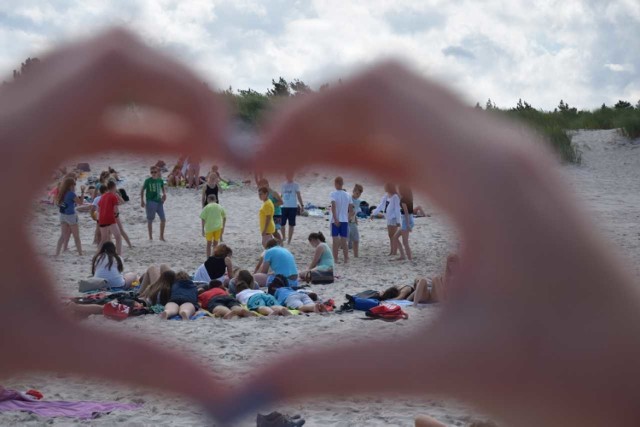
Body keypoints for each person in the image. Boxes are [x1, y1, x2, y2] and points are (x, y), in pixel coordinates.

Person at [6, 30, 640, 427]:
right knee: (363, 255)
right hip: (273, 261)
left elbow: (239, 243)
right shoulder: (264, 234)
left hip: (263, 263)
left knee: (362, 250)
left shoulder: (248, 246)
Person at [55, 176, 84, 256]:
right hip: (70, 216)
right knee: (76, 237)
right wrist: (82, 192)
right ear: (71, 185)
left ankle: (57, 253)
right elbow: (81, 202)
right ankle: (80, 254)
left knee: (62, 236)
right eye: (74, 185)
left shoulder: (62, 192)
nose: (75, 186)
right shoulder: (71, 194)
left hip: (62, 215)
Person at [370, 183, 401, 256]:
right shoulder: (386, 196)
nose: (384, 187)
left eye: (385, 186)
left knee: (394, 235)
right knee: (390, 235)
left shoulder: (395, 197)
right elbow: (380, 206)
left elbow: (397, 209)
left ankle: (395, 251)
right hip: (388, 218)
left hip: (394, 218)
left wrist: (398, 221)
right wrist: (373, 213)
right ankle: (392, 251)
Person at [330, 176, 353, 263]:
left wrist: (335, 218)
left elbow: (333, 206)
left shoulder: (333, 193)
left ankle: (335, 259)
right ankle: (346, 258)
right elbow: (351, 210)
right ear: (342, 184)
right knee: (344, 241)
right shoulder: (348, 195)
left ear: (336, 184)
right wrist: (348, 218)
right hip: (344, 219)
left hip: (335, 219)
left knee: (335, 240)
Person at [141, 165, 167, 241]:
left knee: (163, 219)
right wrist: (142, 201)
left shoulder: (160, 180)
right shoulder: (148, 181)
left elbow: (163, 188)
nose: (153, 173)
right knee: (150, 220)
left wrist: (164, 194)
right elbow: (142, 190)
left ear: (158, 172)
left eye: (155, 172)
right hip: (150, 202)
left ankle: (161, 237)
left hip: (159, 202)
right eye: (152, 172)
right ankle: (150, 237)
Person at [97, 180, 123, 254]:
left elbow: (98, 209)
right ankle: (119, 255)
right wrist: (116, 214)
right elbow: (116, 210)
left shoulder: (103, 196)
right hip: (110, 218)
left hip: (101, 219)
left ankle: (97, 254)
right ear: (114, 187)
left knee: (103, 239)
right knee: (118, 237)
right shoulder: (113, 196)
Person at [280, 172, 304, 245]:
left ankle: (289, 240)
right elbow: (281, 195)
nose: (289, 177)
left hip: (293, 207)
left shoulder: (296, 185)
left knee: (291, 224)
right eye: (287, 175)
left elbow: (299, 195)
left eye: (290, 175)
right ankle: (284, 237)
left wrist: (302, 205)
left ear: (292, 176)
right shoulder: (283, 185)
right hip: (283, 207)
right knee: (282, 224)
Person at [393, 185, 414, 261]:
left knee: (405, 242)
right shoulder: (409, 198)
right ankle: (403, 256)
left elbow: (406, 212)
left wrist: (408, 225)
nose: (398, 191)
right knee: (395, 237)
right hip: (409, 219)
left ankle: (410, 259)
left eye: (399, 189)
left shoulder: (403, 200)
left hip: (406, 221)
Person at [259, 178, 283, 242]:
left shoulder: (273, 193)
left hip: (276, 214)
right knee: (271, 231)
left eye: (262, 185)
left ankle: (280, 243)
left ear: (267, 185)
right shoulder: (265, 193)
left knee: (274, 231)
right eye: (260, 186)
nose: (261, 187)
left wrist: (272, 205)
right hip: (270, 213)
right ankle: (276, 244)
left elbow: (281, 202)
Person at [349, 184, 364, 258]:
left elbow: (354, 212)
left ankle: (356, 255)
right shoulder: (349, 199)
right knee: (343, 240)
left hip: (353, 222)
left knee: (356, 239)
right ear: (353, 191)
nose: (358, 195)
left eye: (360, 194)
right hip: (346, 221)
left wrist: (356, 219)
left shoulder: (358, 201)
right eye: (357, 193)